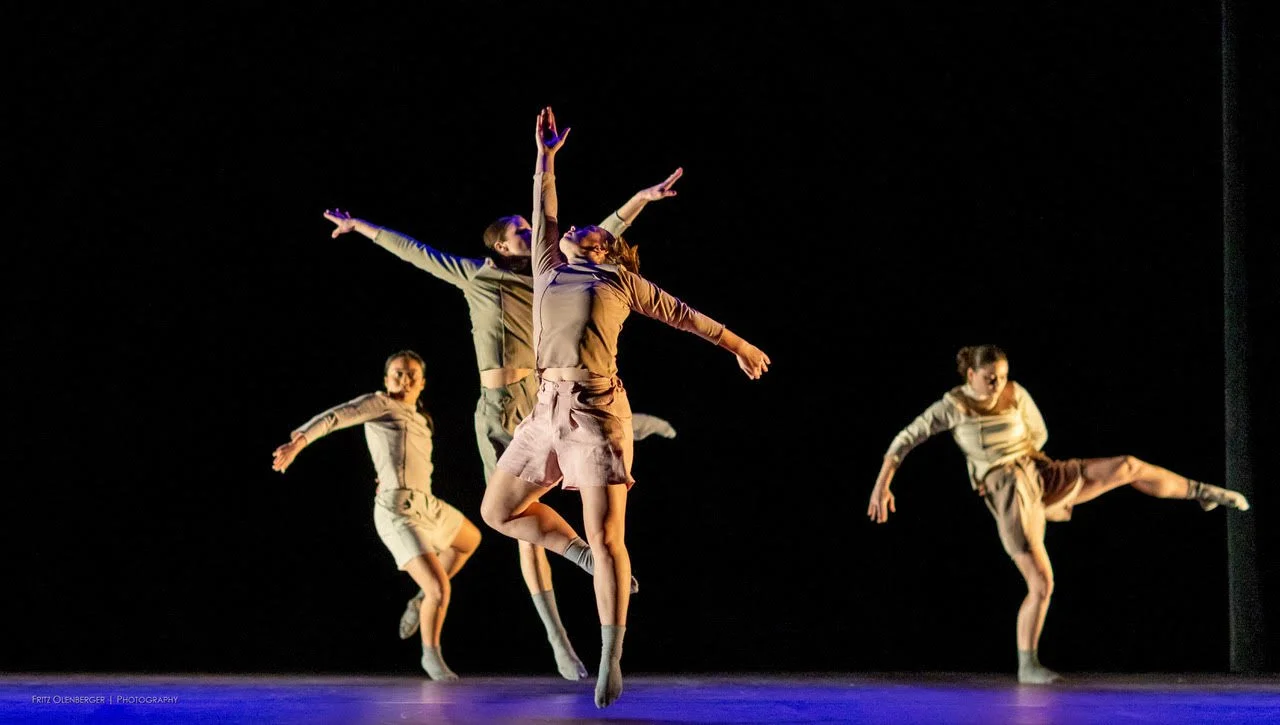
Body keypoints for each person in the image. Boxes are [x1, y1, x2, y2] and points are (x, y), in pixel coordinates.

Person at [321, 171, 680, 680]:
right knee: (519, 526)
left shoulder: (549, 274)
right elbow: (416, 252)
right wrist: (361, 227)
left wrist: (638, 201)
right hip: (496, 408)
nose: (533, 234)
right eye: (521, 231)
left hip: (545, 401)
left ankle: (598, 528)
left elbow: (596, 236)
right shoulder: (476, 275)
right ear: (498, 244)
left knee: (552, 501)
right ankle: (559, 639)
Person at [480, 107, 772, 708]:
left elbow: (687, 317)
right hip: (543, 410)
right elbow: (544, 211)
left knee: (609, 534)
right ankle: (577, 555)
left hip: (596, 412)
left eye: (589, 229)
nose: (569, 229)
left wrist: (741, 345)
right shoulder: (546, 268)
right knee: (498, 511)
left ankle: (612, 655)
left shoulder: (618, 283)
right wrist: (546, 156)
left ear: (605, 247)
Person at [867, 344, 1250, 684]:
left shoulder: (1015, 392)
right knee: (1042, 583)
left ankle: (1201, 492)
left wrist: (1033, 470)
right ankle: (1027, 665)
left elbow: (1039, 432)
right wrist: (882, 484)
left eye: (1002, 376)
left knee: (1127, 466)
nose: (997, 384)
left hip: (1040, 473)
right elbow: (905, 439)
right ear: (971, 375)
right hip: (1008, 489)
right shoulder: (952, 406)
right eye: (989, 378)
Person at [271, 350, 482, 681]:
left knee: (470, 539)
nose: (404, 378)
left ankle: (420, 600)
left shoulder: (421, 418)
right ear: (386, 380)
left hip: (426, 504)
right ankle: (432, 655)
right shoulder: (381, 403)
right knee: (440, 589)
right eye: (397, 373)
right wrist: (298, 443)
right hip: (397, 510)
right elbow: (336, 417)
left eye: (412, 373)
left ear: (422, 382)